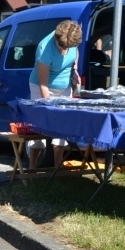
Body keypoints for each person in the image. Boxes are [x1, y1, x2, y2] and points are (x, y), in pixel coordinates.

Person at [27, 20, 83, 170]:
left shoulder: (71, 39)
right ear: (57, 39)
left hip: (64, 88)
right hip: (41, 87)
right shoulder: (44, 47)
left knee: (61, 129)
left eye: (68, 47)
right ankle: (32, 168)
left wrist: (74, 70)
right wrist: (49, 107)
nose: (65, 49)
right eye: (62, 46)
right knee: (39, 127)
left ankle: (57, 167)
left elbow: (73, 56)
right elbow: (43, 84)